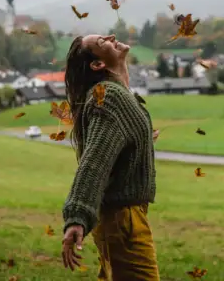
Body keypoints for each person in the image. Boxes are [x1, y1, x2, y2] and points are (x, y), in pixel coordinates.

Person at [61, 34, 160, 280]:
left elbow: (113, 148)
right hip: (123, 220)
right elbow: (95, 161)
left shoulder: (115, 94)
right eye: (103, 42)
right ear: (97, 65)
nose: (111, 37)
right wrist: (77, 215)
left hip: (120, 219)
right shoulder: (110, 97)